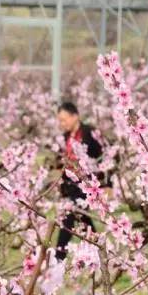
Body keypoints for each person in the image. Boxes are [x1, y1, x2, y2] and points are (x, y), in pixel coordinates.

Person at [55, 102, 103, 260]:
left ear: (75, 116)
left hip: (88, 184)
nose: (62, 124)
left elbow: (105, 156)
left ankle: (58, 257)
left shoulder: (90, 133)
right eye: (60, 121)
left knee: (69, 215)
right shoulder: (65, 138)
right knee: (82, 217)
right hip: (71, 185)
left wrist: (107, 183)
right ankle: (99, 246)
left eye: (64, 119)